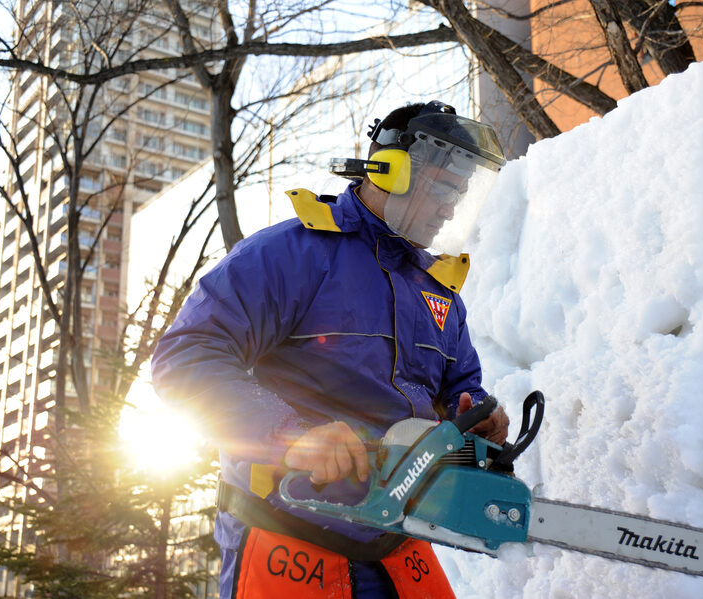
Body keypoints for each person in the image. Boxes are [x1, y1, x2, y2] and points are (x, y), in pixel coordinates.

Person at [151, 101, 509, 599]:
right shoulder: (291, 254)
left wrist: (474, 416)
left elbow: (458, 387)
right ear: (393, 171)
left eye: (461, 193)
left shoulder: (438, 290)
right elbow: (185, 357)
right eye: (444, 189)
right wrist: (289, 436)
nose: (451, 207)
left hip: (395, 540)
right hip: (288, 534)